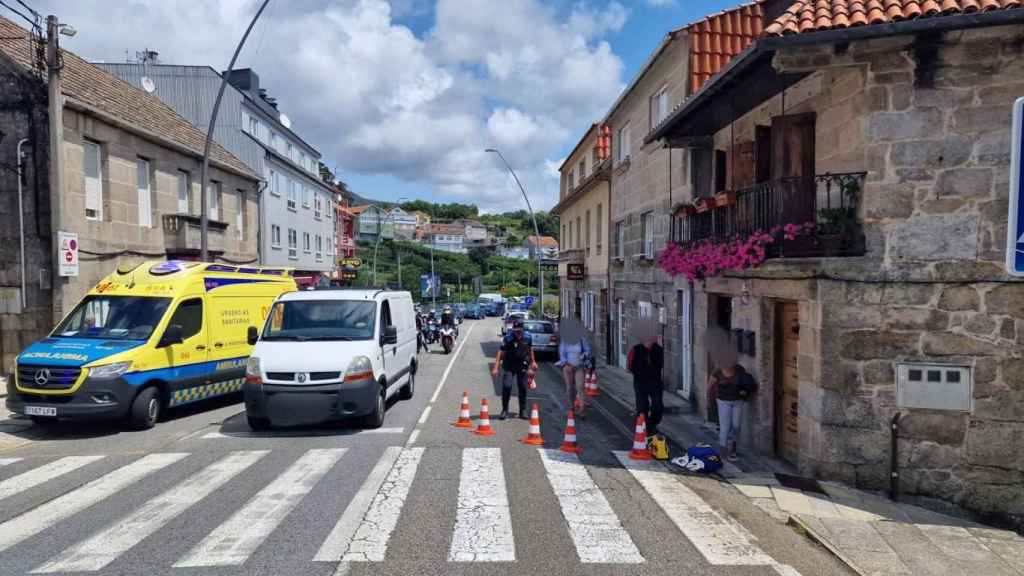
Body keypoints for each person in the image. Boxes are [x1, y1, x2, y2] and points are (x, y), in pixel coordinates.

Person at [709, 363, 757, 460]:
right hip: (723, 401)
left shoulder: (739, 368)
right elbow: (710, 386)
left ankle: (733, 449)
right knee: (725, 427)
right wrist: (708, 400)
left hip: (738, 401)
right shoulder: (718, 370)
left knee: (736, 426)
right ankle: (723, 451)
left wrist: (745, 390)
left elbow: (746, 382)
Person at [491, 319, 537, 420]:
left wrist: (533, 361)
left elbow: (530, 349)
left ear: (522, 329)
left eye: (519, 330)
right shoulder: (508, 338)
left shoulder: (528, 337)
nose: (517, 332)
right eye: (515, 330)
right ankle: (504, 410)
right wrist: (496, 367)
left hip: (522, 365)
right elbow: (501, 352)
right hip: (509, 365)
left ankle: (522, 410)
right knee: (507, 386)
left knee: (523, 388)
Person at [628, 319, 664, 437]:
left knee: (658, 407)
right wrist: (639, 374)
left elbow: (660, 365)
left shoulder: (658, 350)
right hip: (640, 383)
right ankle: (644, 428)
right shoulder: (636, 350)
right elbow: (630, 366)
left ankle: (651, 425)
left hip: (655, 382)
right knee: (642, 407)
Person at [556, 318, 591, 417]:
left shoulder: (581, 340)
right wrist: (566, 363)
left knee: (580, 386)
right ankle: (571, 407)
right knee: (570, 388)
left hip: (579, 366)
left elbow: (587, 351)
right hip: (568, 367)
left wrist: (584, 355)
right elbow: (562, 354)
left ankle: (582, 409)